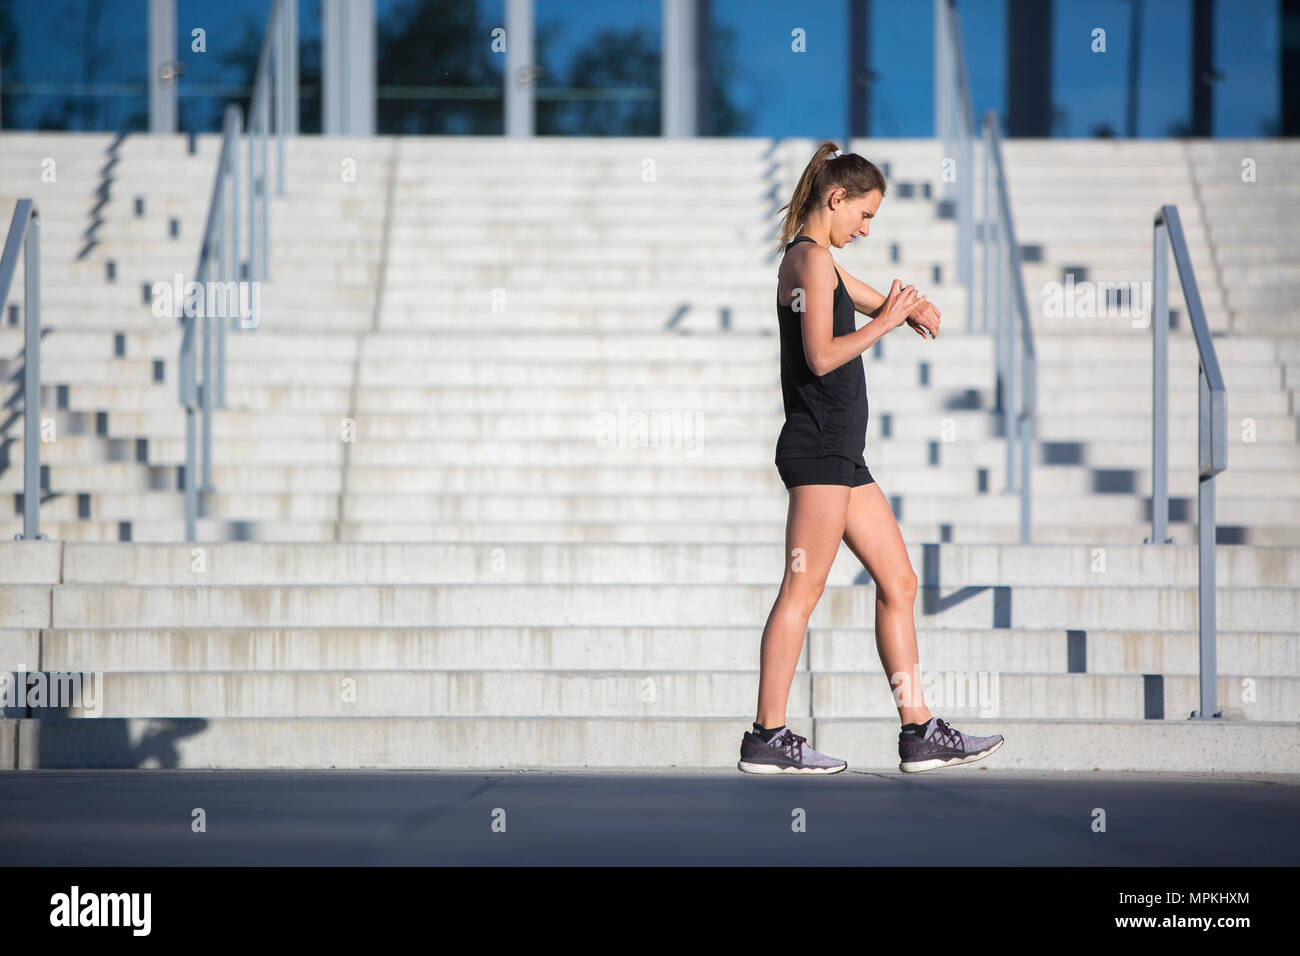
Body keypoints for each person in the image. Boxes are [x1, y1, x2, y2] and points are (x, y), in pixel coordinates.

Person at [737, 141, 1005, 774]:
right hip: (819, 447)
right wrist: (888, 323)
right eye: (865, 216)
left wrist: (909, 309)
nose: (866, 228)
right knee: (802, 589)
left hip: (843, 455)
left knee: (899, 582)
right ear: (837, 199)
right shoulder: (807, 263)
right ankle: (767, 736)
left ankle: (919, 732)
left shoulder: (821, 262)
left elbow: (869, 297)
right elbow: (822, 356)